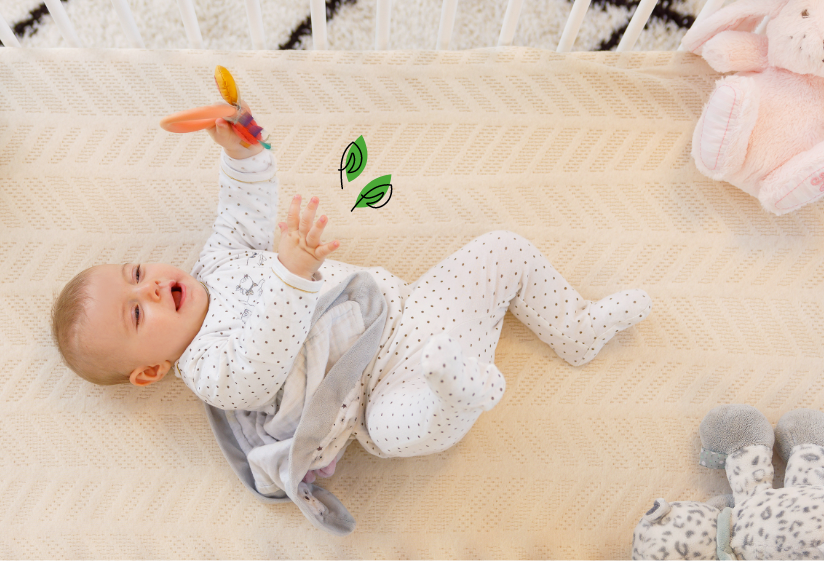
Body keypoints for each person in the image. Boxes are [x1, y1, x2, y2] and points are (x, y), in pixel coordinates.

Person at [51, 112, 652, 477]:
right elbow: (262, 369)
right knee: (400, 429)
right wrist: (289, 275)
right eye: (138, 311)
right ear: (151, 370)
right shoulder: (208, 370)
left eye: (135, 272)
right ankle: (458, 388)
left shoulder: (217, 262)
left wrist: (244, 155)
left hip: (407, 313)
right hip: (373, 391)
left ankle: (574, 330)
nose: (152, 285)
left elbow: (244, 209)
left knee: (502, 248)